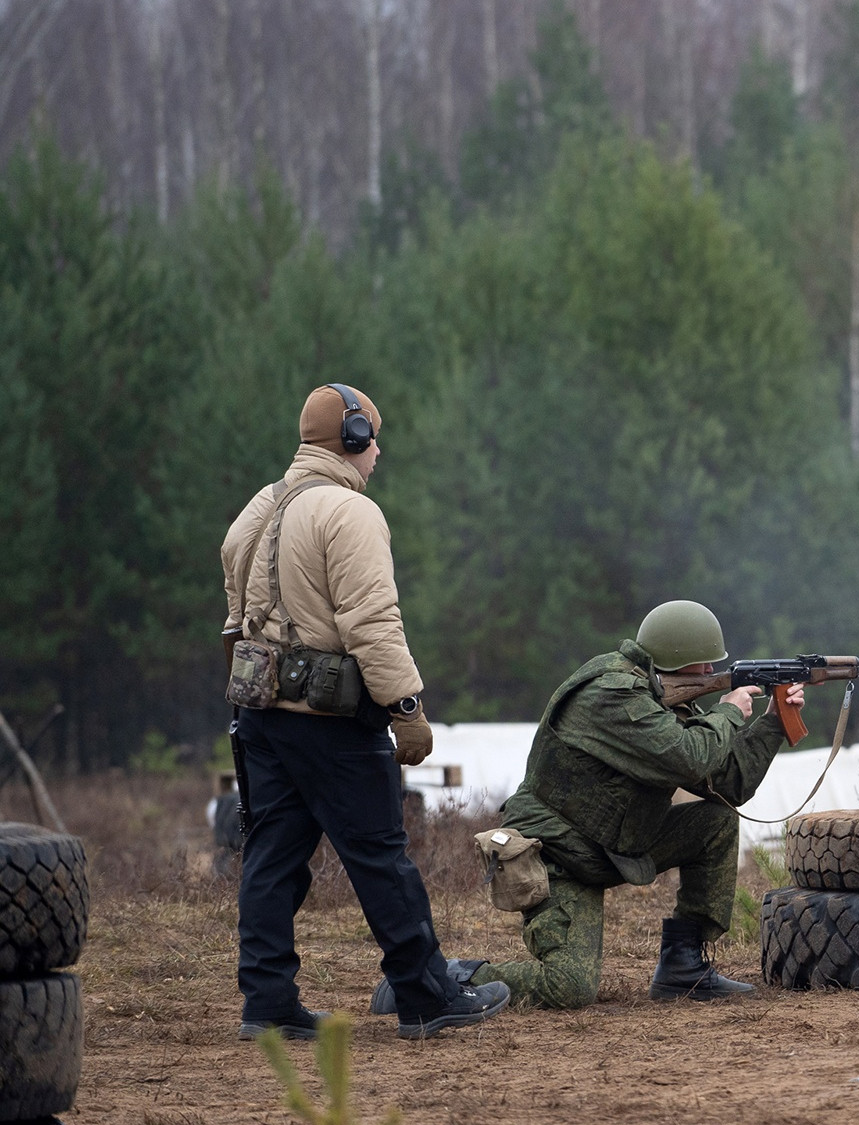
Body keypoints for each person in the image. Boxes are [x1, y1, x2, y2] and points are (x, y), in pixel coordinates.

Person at [221, 383, 509, 1040]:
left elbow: (236, 611)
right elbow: (373, 622)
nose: (377, 449)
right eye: (371, 435)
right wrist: (405, 706)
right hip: (330, 720)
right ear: (350, 439)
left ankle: (267, 1002)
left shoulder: (259, 508)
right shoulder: (349, 514)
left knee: (270, 857)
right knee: (381, 856)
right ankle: (427, 994)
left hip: (263, 713)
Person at [389, 600, 797, 1010]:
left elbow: (729, 784)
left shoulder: (661, 701)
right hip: (558, 856)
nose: (712, 673)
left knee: (715, 822)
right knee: (568, 986)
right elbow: (688, 756)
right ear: (677, 661)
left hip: (614, 847)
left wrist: (773, 723)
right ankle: (442, 981)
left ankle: (683, 967)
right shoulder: (611, 695)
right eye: (705, 665)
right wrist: (728, 713)